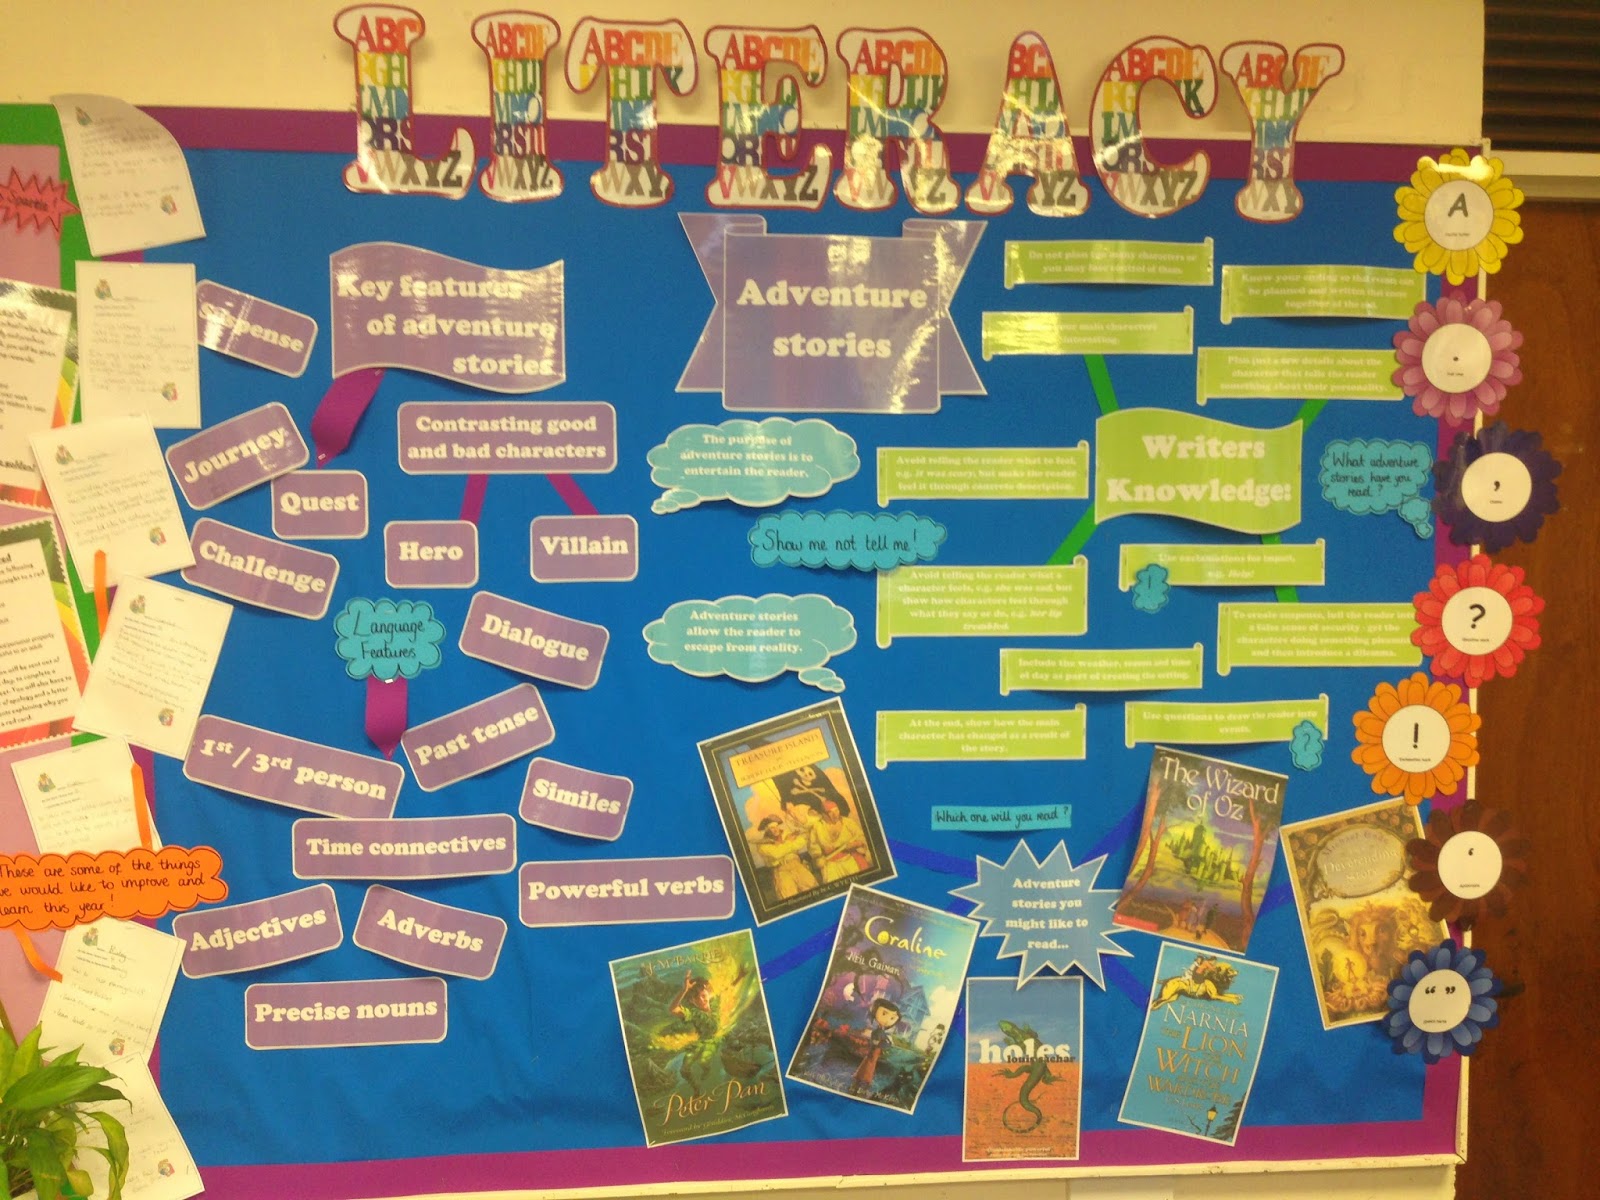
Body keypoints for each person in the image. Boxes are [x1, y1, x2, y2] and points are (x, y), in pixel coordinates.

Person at [753, 815, 818, 900]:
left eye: (776, 826)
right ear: (766, 830)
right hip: (782, 872)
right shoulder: (763, 845)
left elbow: (800, 842)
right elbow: (777, 853)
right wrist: (788, 842)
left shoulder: (786, 834)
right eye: (772, 828)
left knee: (813, 889)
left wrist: (785, 845)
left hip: (797, 866)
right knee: (789, 897)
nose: (776, 829)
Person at [850, 998, 901, 1096]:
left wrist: (887, 1043)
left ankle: (861, 1078)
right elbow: (875, 1042)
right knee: (870, 1064)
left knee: (869, 1063)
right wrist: (884, 1044)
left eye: (892, 1018)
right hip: (874, 1050)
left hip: (876, 1050)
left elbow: (884, 1040)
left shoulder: (881, 1031)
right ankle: (864, 1079)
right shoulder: (877, 1031)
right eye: (884, 1014)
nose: (887, 1020)